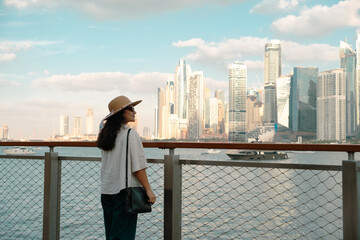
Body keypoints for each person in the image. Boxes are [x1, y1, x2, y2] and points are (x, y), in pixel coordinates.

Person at [97, 95, 156, 240]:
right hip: (124, 194)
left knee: (111, 235)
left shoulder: (105, 135)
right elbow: (138, 167)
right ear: (121, 112)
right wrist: (148, 190)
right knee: (123, 236)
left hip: (106, 191)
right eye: (130, 108)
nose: (134, 112)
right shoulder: (130, 134)